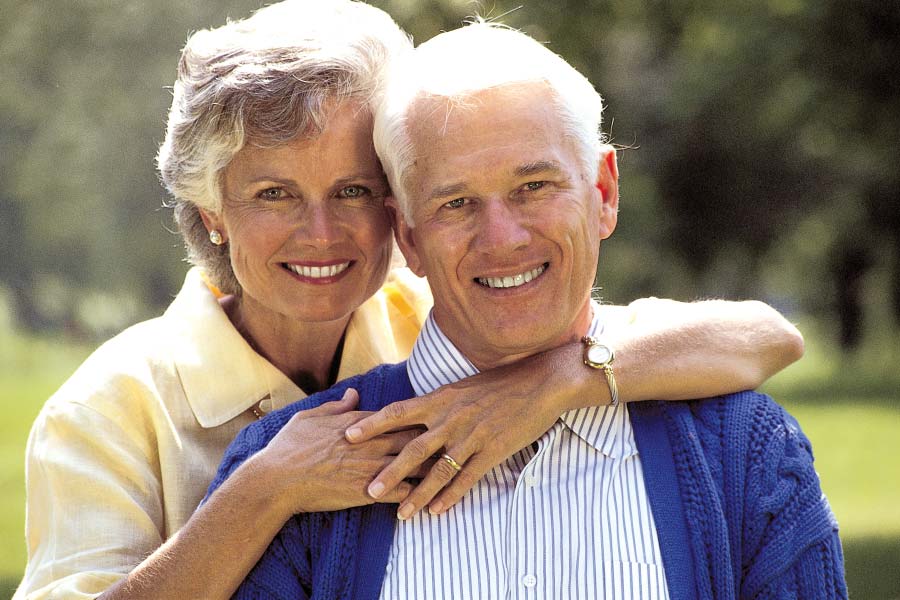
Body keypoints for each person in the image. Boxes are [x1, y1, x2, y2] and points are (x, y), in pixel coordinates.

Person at [14, 3, 806, 600]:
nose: (321, 234)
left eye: (353, 190)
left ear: (396, 209)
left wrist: (550, 382)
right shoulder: (110, 409)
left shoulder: (443, 310)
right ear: (212, 211)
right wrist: (262, 491)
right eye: (275, 194)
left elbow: (763, 336)